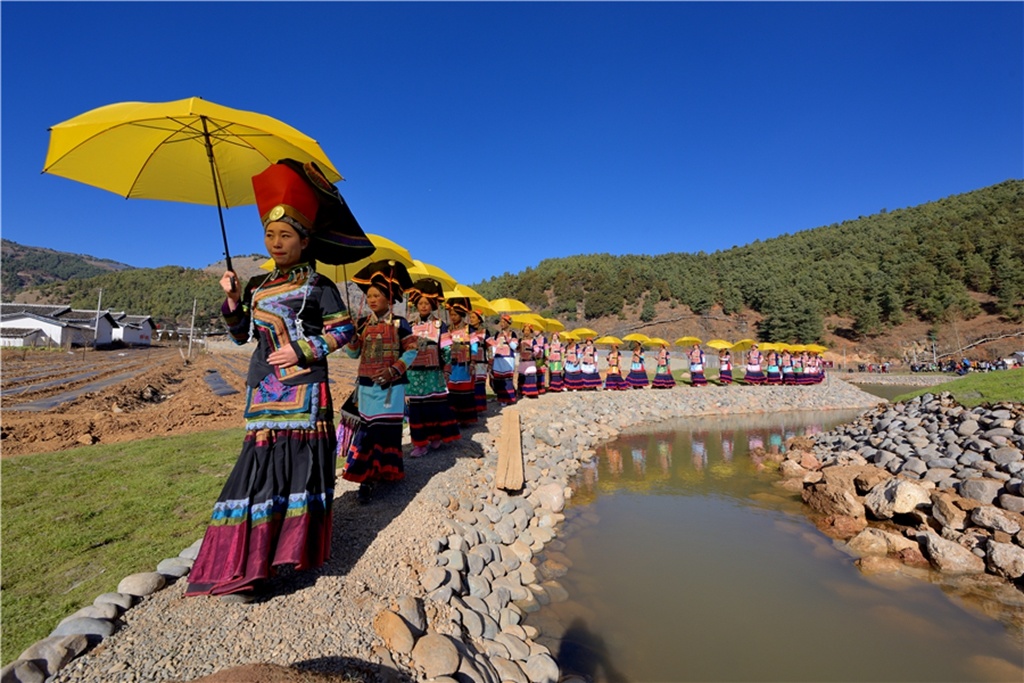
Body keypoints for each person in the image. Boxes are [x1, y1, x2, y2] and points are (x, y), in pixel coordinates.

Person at [187, 160, 361, 601]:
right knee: (258, 470)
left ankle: (285, 555)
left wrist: (303, 349)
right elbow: (240, 335)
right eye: (270, 235)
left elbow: (343, 331)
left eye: (286, 235)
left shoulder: (319, 285)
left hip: (305, 390)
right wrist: (232, 300)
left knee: (299, 470)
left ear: (305, 240)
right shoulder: (256, 285)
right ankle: (248, 565)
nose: (277, 243)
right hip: (264, 389)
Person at [340, 260, 419, 503]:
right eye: (369, 296)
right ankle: (366, 478)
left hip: (391, 389)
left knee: (385, 432)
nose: (372, 299)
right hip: (366, 388)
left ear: (389, 297)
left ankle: (386, 471)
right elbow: (353, 354)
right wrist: (352, 338)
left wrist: (394, 370)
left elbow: (412, 351)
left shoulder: (400, 323)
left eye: (377, 295)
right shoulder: (363, 323)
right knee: (367, 432)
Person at [405, 279, 460, 457]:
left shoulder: (439, 325)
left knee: (434, 407)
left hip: (433, 373)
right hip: (414, 375)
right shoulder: (410, 326)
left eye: (426, 303)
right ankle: (420, 444)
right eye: (420, 303)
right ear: (416, 305)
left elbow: (446, 349)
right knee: (416, 409)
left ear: (432, 305)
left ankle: (436, 437)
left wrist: (447, 369)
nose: (423, 306)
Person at [446, 297, 479, 426]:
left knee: (464, 393)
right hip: (451, 366)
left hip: (465, 366)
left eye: (455, 314)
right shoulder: (447, 329)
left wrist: (473, 362)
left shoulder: (469, 329)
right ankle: (452, 418)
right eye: (451, 315)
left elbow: (474, 347)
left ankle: (465, 419)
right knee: (451, 392)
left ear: (461, 314)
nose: (452, 317)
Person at [489, 314, 518, 405]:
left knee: (507, 379)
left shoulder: (512, 334)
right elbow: (494, 347)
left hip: (508, 358)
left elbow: (514, 347)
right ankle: (501, 398)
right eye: (501, 322)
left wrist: (507, 338)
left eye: (504, 322)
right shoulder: (497, 334)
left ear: (508, 323)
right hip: (498, 359)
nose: (502, 324)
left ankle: (509, 398)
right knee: (498, 380)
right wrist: (492, 358)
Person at [467, 309, 490, 413]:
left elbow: (489, 347)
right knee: (470, 384)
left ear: (479, 319)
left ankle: (479, 407)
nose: (471, 319)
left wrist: (490, 361)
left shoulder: (485, 332)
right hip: (469, 361)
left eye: (473, 317)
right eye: (470, 317)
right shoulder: (467, 330)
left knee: (479, 384)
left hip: (481, 362)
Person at [516, 324, 543, 399]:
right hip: (522, 361)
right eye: (525, 330)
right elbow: (517, 350)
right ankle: (522, 392)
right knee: (522, 376)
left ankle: (531, 393)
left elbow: (537, 349)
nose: (526, 332)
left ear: (530, 332)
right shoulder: (520, 340)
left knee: (530, 376)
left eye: (528, 330)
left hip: (530, 361)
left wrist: (532, 354)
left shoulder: (533, 340)